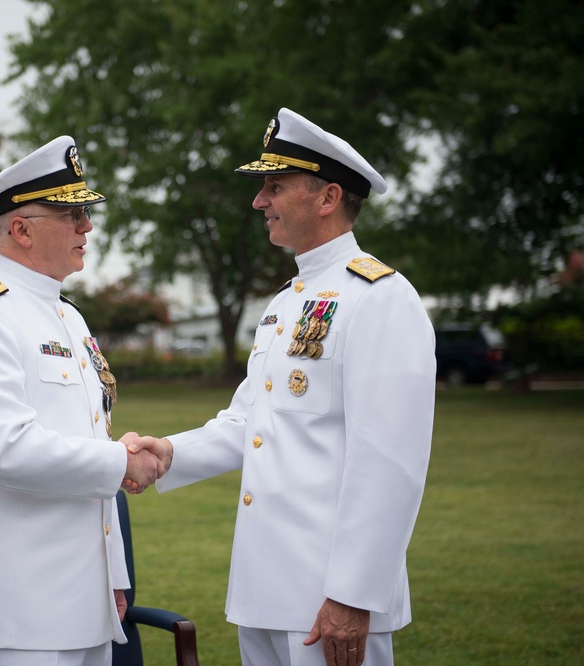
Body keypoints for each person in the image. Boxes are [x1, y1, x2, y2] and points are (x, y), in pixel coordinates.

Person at [131, 108, 436, 666]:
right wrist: (170, 452)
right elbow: (252, 420)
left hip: (330, 595)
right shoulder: (286, 302)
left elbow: (391, 461)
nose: (258, 201)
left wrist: (354, 594)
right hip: (267, 588)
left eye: (275, 186)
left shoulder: (381, 298)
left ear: (328, 198)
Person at [0, 135, 163, 666]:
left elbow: (87, 442)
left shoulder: (67, 315)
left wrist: (114, 575)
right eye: (72, 214)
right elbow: (6, 451)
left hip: (85, 601)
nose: (87, 226)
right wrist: (120, 460)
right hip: (16, 612)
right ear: (20, 229)